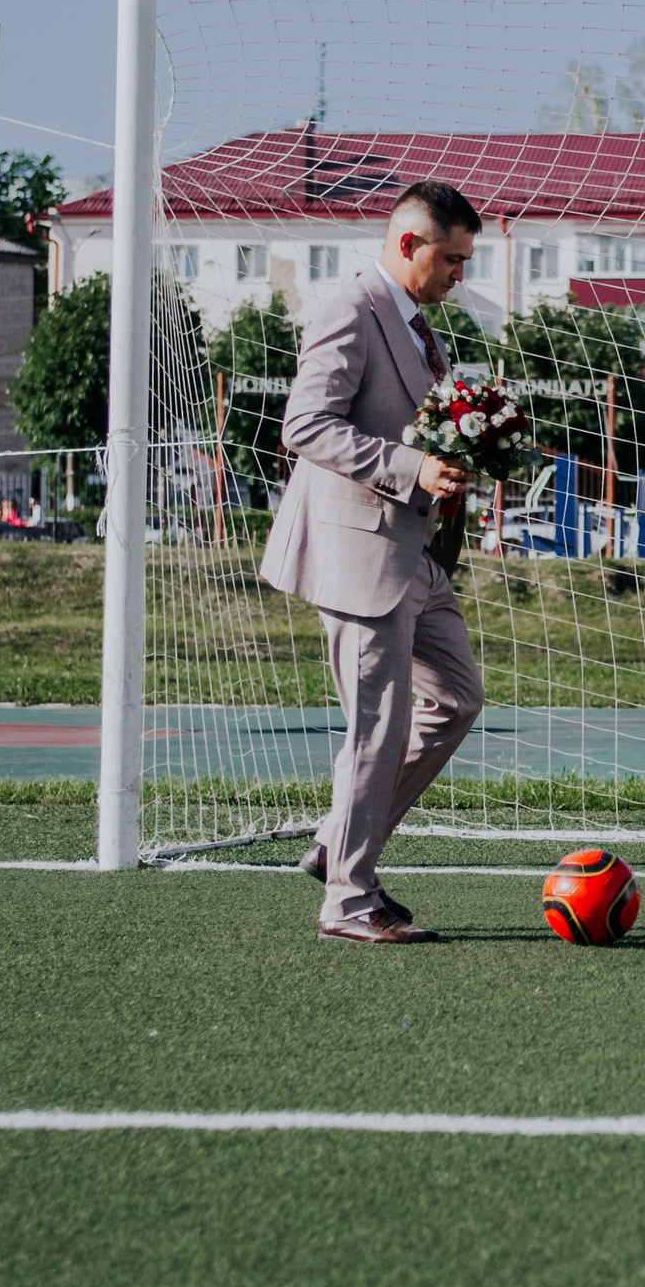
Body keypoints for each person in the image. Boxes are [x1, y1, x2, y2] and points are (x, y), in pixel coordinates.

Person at [259, 181, 487, 944]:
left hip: (416, 552)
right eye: (452, 259)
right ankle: (349, 902)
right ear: (407, 245)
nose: (461, 273)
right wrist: (410, 467)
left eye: (466, 260)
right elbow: (304, 426)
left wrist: (452, 468)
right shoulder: (352, 309)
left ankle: (338, 843)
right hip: (357, 553)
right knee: (375, 729)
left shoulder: (423, 329)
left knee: (455, 700)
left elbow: (420, 435)